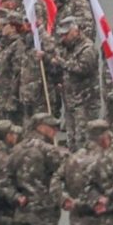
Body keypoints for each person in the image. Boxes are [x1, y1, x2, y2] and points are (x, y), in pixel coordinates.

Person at [0, 113, 66, 225]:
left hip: (21, 211)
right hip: (44, 214)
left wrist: (16, 197)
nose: (56, 130)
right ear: (40, 127)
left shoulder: (16, 150)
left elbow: (4, 181)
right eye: (52, 126)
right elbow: (68, 173)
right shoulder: (49, 151)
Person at [45, 18, 99, 151]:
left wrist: (62, 63)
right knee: (71, 138)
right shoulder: (67, 48)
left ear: (75, 31)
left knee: (84, 139)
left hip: (85, 103)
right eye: (62, 35)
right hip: (70, 102)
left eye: (66, 34)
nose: (63, 38)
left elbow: (83, 68)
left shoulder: (87, 47)